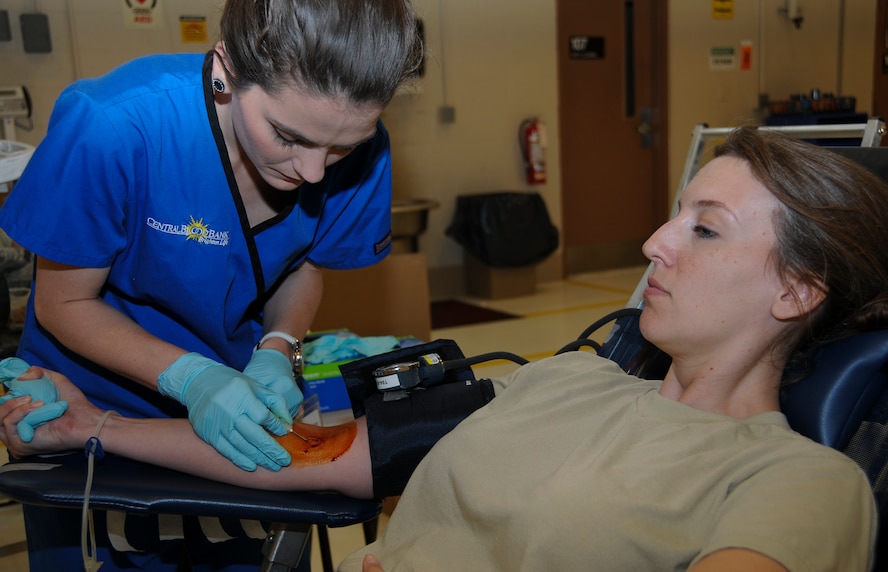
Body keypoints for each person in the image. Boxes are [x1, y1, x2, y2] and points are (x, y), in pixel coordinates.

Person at [1, 126, 885, 571]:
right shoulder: (574, 378)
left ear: (795, 291)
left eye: (705, 229)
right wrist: (91, 426)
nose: (656, 240)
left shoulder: (797, 483)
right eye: (673, 214)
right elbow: (317, 455)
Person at [0, 0, 422, 569]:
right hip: (94, 410)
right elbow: (62, 302)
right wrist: (191, 378)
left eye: (343, 146)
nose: (315, 172)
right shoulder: (116, 126)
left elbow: (303, 264)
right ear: (228, 66)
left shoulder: (360, 151)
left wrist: (278, 348)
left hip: (241, 405)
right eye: (286, 135)